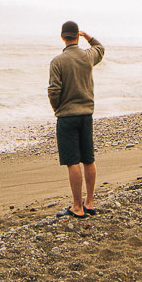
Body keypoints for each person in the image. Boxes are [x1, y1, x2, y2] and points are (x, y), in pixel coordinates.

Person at [47, 20, 104, 219]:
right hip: (86, 114)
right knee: (88, 159)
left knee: (72, 161)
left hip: (67, 116)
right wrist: (88, 36)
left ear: (62, 36)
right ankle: (89, 202)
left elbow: (54, 91)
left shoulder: (57, 61)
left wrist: (57, 108)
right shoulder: (87, 57)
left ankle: (77, 206)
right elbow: (100, 48)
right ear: (76, 36)